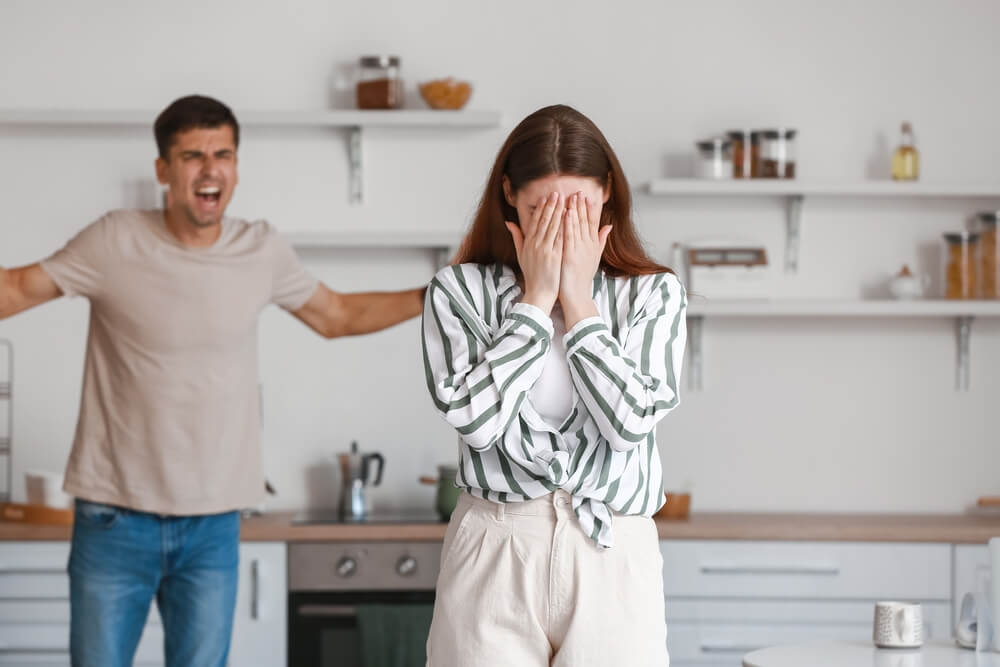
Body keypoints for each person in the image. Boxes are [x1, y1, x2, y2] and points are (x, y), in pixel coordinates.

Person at [0, 94, 426, 667]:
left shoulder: (261, 250)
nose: (210, 169)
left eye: (223, 154)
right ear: (163, 170)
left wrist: (434, 294)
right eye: (193, 156)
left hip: (212, 527)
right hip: (114, 519)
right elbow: (13, 290)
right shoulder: (114, 240)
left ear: (236, 167)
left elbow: (339, 316)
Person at [421, 104, 687, 666]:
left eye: (579, 208)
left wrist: (580, 303)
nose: (562, 228)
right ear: (510, 196)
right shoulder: (457, 292)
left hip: (614, 552)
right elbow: (476, 421)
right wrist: (537, 300)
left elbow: (629, 425)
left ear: (607, 193)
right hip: (495, 547)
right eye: (542, 211)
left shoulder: (653, 293)